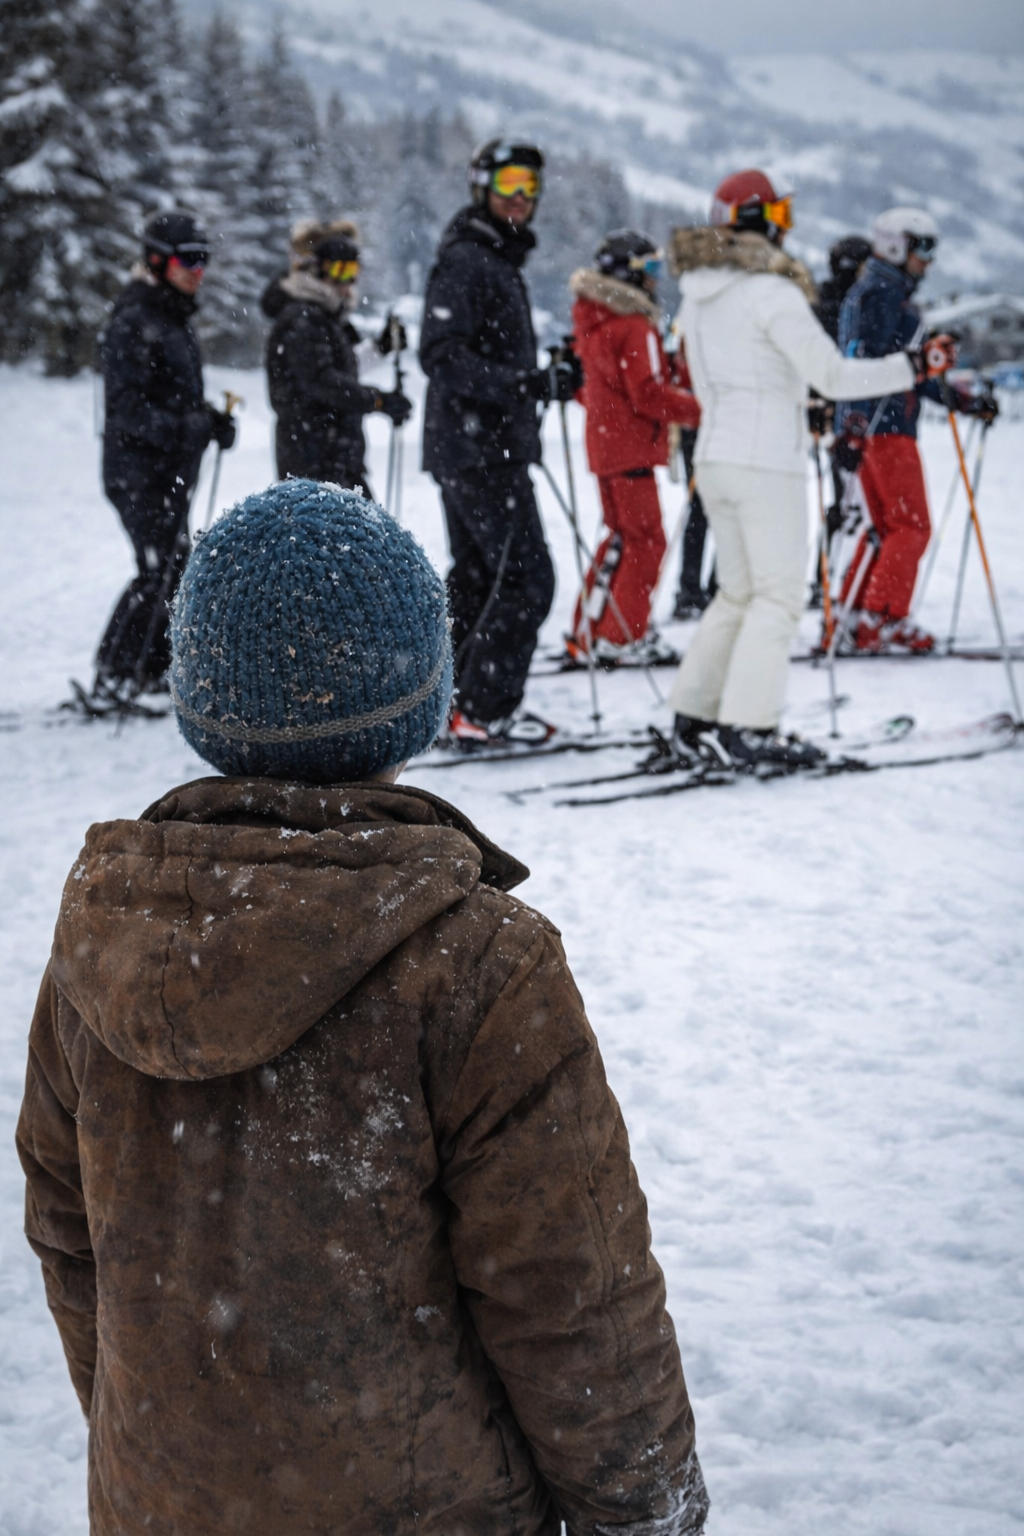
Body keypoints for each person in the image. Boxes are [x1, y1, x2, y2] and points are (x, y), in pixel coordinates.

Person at [17, 478, 711, 1536]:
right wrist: (642, 1511)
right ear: (417, 698)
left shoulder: (105, 941)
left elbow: (75, 1253)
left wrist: (172, 1448)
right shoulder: (480, 966)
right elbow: (571, 1293)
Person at [665, 170, 950, 770]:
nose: (784, 231)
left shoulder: (698, 293)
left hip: (716, 456)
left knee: (736, 595)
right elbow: (836, 376)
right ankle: (751, 728)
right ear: (758, 220)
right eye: (781, 217)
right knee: (775, 600)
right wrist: (915, 365)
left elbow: (743, 372)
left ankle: (694, 719)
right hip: (766, 462)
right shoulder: (771, 293)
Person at [420, 138, 578, 750]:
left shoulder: (493, 257)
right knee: (527, 581)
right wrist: (522, 384)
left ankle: (445, 702)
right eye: (510, 182)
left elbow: (485, 358)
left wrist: (547, 381)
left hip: (481, 448)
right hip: (478, 451)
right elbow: (440, 355)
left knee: (482, 579)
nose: (522, 197)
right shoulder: (468, 259)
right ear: (481, 184)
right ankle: (480, 709)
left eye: (531, 186)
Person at [835, 208, 996, 653]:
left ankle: (854, 616)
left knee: (888, 529)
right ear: (895, 245)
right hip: (886, 429)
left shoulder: (881, 293)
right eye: (922, 247)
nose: (929, 259)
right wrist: (855, 424)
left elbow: (908, 372)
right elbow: (867, 365)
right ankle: (882, 618)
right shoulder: (884, 296)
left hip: (874, 427)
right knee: (911, 527)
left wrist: (963, 401)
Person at [92, 211, 236, 707]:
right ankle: (116, 673)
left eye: (203, 260)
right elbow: (128, 410)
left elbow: (173, 398)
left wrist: (211, 420)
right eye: (187, 260)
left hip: (168, 473)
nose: (198, 270)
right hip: (138, 473)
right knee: (160, 571)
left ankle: (146, 670)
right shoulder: (136, 320)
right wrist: (189, 427)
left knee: (174, 568)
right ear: (157, 260)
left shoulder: (172, 316)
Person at [566, 230, 700, 664]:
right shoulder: (633, 324)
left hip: (607, 446)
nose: (657, 280)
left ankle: (594, 629)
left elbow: (596, 388)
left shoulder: (596, 320)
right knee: (645, 541)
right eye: (651, 269)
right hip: (630, 448)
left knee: (623, 537)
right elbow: (647, 394)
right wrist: (703, 410)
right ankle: (623, 635)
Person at [264, 224, 411, 495]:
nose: (347, 282)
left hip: (336, 454)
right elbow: (321, 380)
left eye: (352, 272)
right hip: (311, 456)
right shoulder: (303, 317)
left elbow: (343, 368)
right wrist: (377, 400)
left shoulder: (325, 315)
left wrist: (381, 348)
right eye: (339, 271)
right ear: (317, 268)